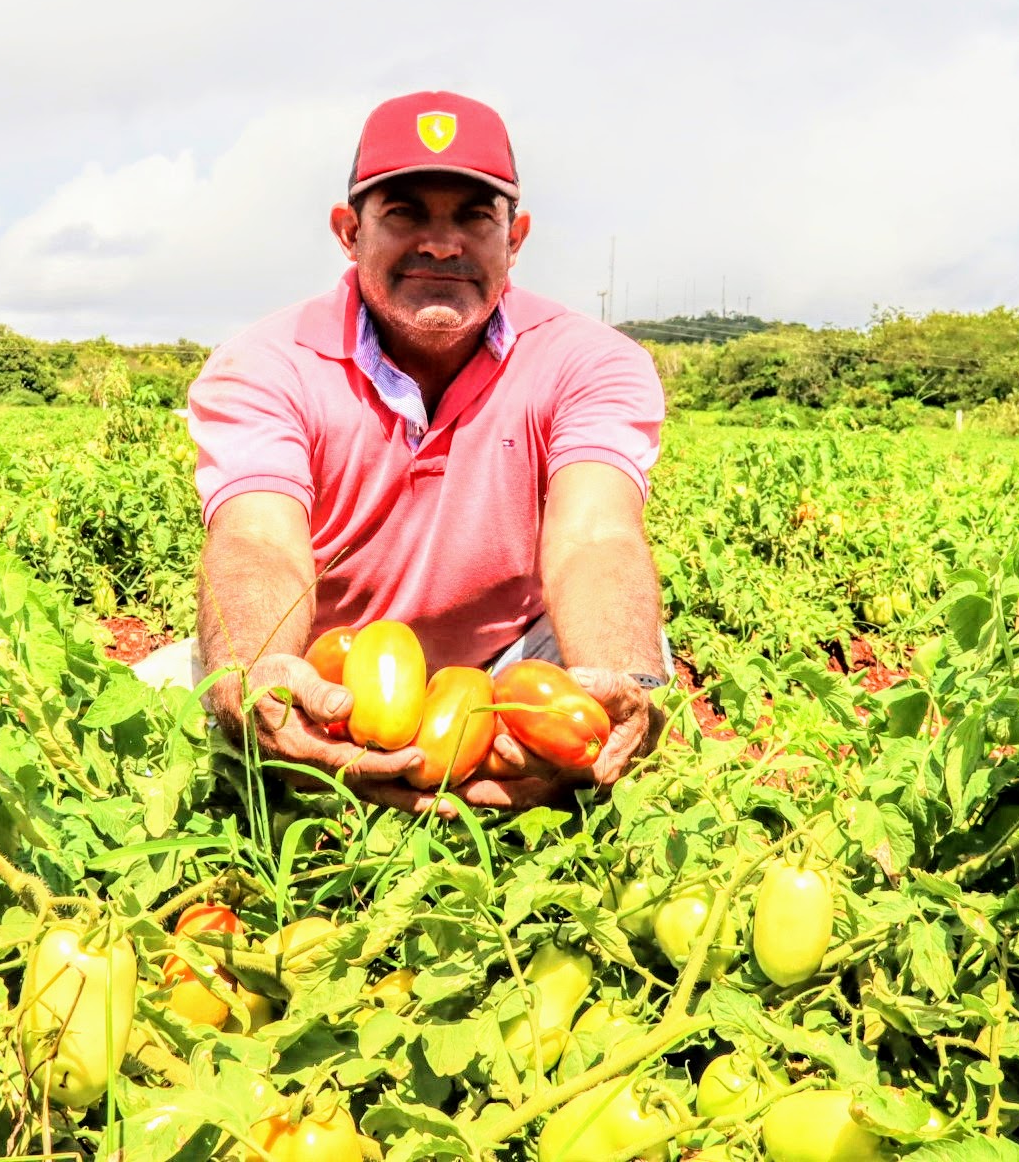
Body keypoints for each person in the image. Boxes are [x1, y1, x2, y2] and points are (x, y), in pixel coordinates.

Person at [136, 91, 670, 814]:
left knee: (633, 675)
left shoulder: (590, 361)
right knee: (150, 721)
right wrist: (255, 676)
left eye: (474, 217)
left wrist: (625, 682)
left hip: (509, 666)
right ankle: (290, 740)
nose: (442, 245)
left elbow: (596, 537)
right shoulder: (265, 363)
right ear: (349, 232)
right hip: (328, 677)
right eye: (405, 213)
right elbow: (258, 540)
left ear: (514, 239)